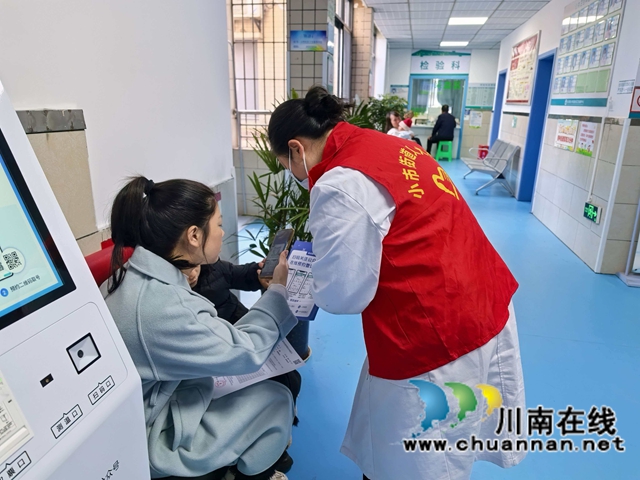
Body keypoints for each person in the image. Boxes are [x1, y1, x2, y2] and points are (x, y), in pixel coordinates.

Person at [267, 86, 526, 480]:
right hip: (480, 292)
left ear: (295, 149)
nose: (293, 173)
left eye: (285, 163)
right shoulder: (386, 144)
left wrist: (298, 279)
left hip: (436, 328)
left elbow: (344, 294)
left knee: (419, 455)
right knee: (421, 432)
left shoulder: (340, 184)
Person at [103, 176, 297, 480]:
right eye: (218, 224)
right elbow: (247, 352)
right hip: (154, 435)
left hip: (155, 401)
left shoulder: (134, 276)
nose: (222, 232)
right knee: (277, 398)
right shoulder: (166, 307)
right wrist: (278, 291)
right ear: (194, 235)